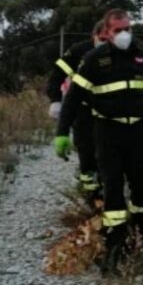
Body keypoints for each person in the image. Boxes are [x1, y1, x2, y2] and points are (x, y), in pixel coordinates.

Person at [54, 9, 143, 272]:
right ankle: (114, 248)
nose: (123, 34)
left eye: (127, 29)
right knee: (112, 190)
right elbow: (73, 98)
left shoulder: (142, 58)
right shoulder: (94, 60)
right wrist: (62, 132)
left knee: (142, 189)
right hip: (109, 134)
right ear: (107, 33)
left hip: (140, 133)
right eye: (117, 30)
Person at [46, 21, 108, 205]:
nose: (105, 43)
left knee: (107, 153)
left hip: (109, 112)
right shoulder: (78, 52)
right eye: (102, 39)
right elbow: (56, 75)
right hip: (83, 110)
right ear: (94, 36)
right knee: (86, 152)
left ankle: (107, 190)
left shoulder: (119, 53)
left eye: (109, 39)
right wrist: (55, 100)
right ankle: (91, 195)